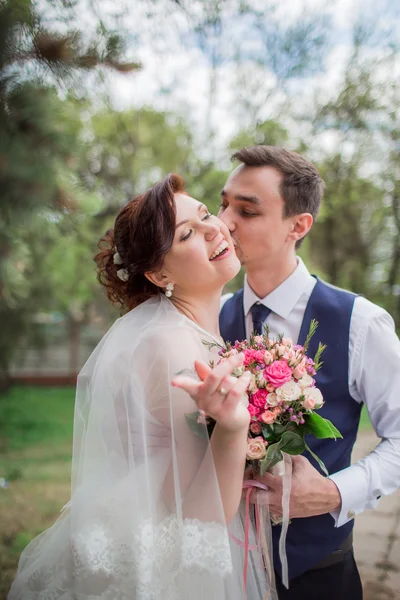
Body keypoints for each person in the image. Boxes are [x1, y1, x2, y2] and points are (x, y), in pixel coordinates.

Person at [8, 174, 271, 600]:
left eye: (205, 215)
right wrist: (234, 429)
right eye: (188, 233)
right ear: (158, 271)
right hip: (169, 568)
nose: (213, 230)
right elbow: (199, 522)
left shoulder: (191, 330)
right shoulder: (169, 347)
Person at [219, 145, 400, 600]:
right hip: (218, 569)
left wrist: (336, 493)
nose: (224, 222)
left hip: (318, 574)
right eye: (223, 204)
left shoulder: (361, 322)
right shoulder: (209, 320)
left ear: (297, 226)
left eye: (247, 210)